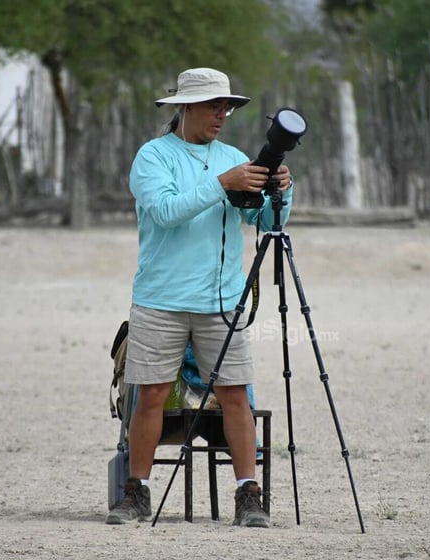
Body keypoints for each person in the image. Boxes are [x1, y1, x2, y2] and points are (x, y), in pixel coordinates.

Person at [105, 67, 294, 528]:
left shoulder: (233, 157)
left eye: (226, 106)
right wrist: (222, 184)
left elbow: (267, 223)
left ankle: (248, 495)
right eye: (213, 105)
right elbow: (167, 212)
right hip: (159, 300)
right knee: (149, 395)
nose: (222, 115)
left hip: (221, 302)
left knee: (235, 396)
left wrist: (281, 193)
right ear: (185, 108)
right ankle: (136, 493)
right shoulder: (152, 157)